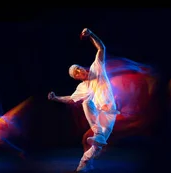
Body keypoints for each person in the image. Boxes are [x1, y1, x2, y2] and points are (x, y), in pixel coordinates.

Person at [48, 28, 119, 172]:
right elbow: (71, 99)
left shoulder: (96, 68)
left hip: (110, 113)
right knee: (86, 102)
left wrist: (91, 34)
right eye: (77, 73)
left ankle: (85, 163)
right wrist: (56, 98)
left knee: (96, 147)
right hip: (97, 115)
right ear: (76, 78)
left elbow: (101, 48)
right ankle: (97, 134)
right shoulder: (82, 87)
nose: (80, 72)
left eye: (79, 68)